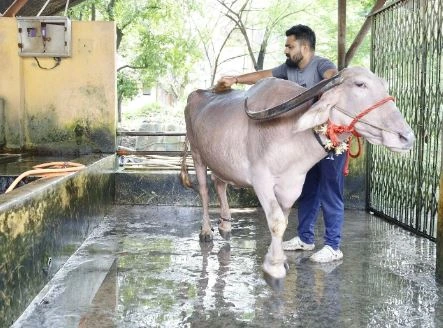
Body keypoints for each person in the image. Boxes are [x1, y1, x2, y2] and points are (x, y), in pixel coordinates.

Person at [217, 24, 344, 263]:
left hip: (329, 140)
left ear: (304, 47)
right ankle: (305, 238)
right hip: (305, 145)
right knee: (308, 191)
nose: (286, 50)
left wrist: (329, 83)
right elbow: (264, 75)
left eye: (290, 45)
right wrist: (235, 79)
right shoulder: (289, 69)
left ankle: (333, 245)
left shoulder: (321, 65)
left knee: (330, 191)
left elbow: (333, 78)